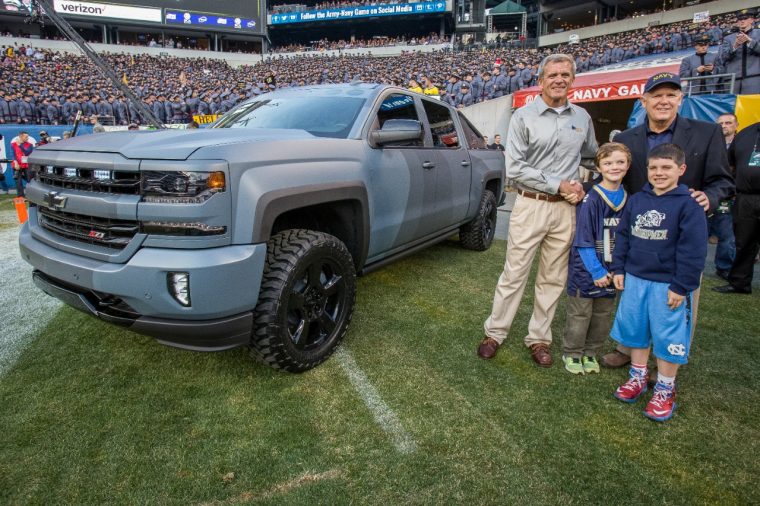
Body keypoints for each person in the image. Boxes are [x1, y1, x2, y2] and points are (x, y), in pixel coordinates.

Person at [604, 71, 734, 369]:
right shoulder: (626, 139)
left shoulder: (706, 133)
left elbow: (723, 181)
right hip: (640, 238)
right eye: (657, 95)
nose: (663, 101)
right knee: (635, 298)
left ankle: (666, 358)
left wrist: (709, 198)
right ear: (644, 100)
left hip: (682, 237)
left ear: (680, 99)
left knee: (676, 300)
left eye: (670, 95)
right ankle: (628, 350)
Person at [477, 54, 597, 367]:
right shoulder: (524, 117)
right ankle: (495, 332)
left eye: (565, 74)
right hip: (531, 204)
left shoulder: (582, 118)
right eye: (553, 74)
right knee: (514, 273)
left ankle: (539, 339)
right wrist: (559, 184)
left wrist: (584, 183)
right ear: (541, 80)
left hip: (564, 211)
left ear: (573, 79)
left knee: (553, 279)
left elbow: (590, 157)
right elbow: (514, 167)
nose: (559, 80)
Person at [610, 143, 707, 422]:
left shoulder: (689, 205)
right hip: (636, 280)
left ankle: (665, 388)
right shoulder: (638, 200)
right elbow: (624, 235)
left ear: (681, 169)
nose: (659, 173)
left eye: (666, 167)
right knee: (637, 331)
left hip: (668, 285)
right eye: (654, 168)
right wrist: (619, 268)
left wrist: (681, 285)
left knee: (667, 337)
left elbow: (693, 249)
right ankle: (637, 377)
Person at [562, 142, 630, 375]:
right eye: (608, 162)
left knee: (602, 315)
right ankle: (572, 352)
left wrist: (617, 269)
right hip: (587, 269)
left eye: (620, 162)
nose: (614, 167)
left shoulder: (628, 198)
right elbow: (583, 239)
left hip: (613, 270)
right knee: (580, 313)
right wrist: (597, 271)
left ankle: (591, 352)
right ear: (599, 166)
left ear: (628, 165)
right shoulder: (591, 197)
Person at [713, 120, 760, 294]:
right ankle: (739, 283)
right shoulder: (746, 134)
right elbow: (729, 164)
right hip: (745, 197)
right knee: (743, 242)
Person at [710, 113, 738, 280]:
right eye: (720, 123)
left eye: (728, 123)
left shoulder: (741, 145)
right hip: (709, 195)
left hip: (730, 196)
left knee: (727, 234)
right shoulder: (711, 144)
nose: (724, 126)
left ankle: (724, 267)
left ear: (736, 125)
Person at [719, 8, 760, 94]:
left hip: (755, 78)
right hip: (734, 79)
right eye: (740, 19)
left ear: (752, 20)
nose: (742, 21)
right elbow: (723, 57)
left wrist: (750, 41)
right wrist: (735, 46)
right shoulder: (728, 38)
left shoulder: (758, 34)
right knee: (733, 106)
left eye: (745, 18)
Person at [11, 131, 34, 198]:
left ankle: (32, 195)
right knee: (18, 182)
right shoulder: (13, 144)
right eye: (26, 136)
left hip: (26, 165)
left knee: (30, 180)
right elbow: (13, 154)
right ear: (21, 136)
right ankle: (21, 197)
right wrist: (15, 162)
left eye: (28, 136)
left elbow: (27, 153)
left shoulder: (30, 145)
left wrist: (20, 145)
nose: (27, 138)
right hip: (17, 165)